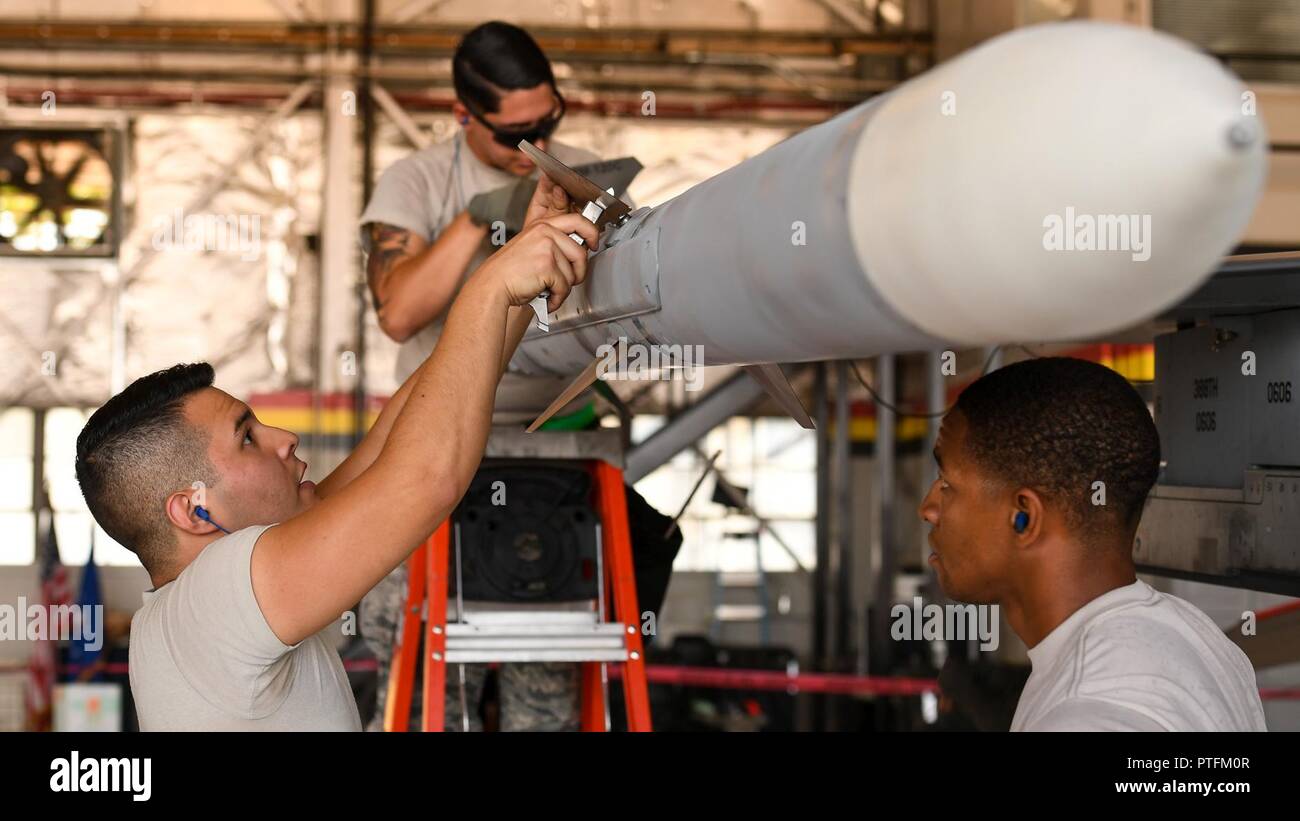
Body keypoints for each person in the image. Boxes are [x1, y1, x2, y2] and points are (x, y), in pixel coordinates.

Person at [75, 177, 596, 730]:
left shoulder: (195, 609)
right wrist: (488, 289)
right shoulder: (217, 596)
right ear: (193, 509)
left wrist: (517, 276)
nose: (284, 438)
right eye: (247, 437)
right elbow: (425, 479)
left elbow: (398, 439)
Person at [358, 20, 679, 731]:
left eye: (548, 122)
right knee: (427, 691)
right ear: (462, 115)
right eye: (514, 134)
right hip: (432, 446)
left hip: (557, 446)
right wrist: (479, 222)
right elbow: (398, 311)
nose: (535, 143)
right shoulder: (415, 182)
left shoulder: (582, 174)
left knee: (550, 679)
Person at [918, 356, 1266, 731]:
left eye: (947, 484)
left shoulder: (1086, 711)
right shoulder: (1195, 637)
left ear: (1024, 517)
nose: (928, 509)